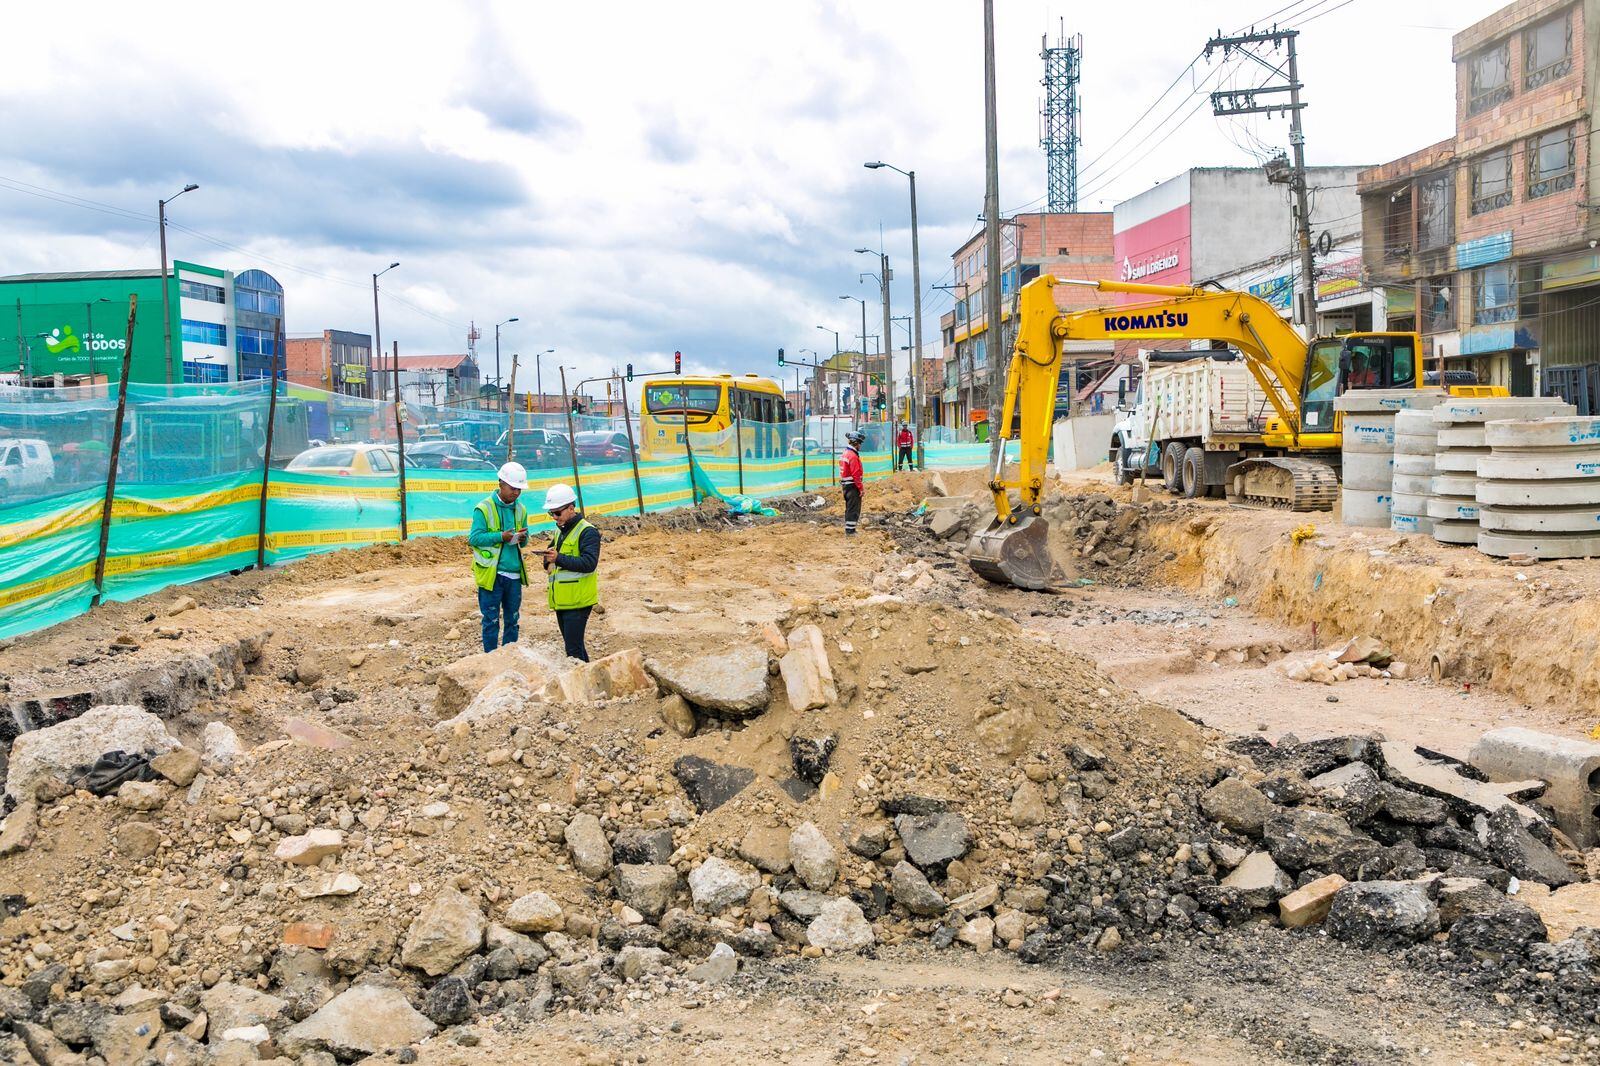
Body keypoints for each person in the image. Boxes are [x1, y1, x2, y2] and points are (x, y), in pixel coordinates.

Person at [468, 462, 531, 653]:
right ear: (501, 483)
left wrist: (523, 538)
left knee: (513, 619)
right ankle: (491, 658)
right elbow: (474, 538)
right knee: (491, 620)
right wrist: (500, 536)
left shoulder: (521, 509)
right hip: (492, 574)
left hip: (513, 573)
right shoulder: (484, 508)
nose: (516, 493)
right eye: (513, 488)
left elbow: (525, 543)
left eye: (519, 489)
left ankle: (509, 656)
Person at [538, 483, 601, 662]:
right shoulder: (561, 531)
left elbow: (589, 563)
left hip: (578, 601)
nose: (554, 517)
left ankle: (583, 678)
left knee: (573, 651)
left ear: (571, 508)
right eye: (551, 513)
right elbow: (551, 555)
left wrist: (558, 558)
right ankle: (589, 675)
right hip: (563, 600)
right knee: (575, 647)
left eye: (557, 513)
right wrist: (547, 560)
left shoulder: (587, 532)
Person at [840, 430, 865, 535]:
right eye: (859, 443)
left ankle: (849, 529)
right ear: (855, 443)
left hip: (846, 485)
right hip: (852, 486)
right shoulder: (853, 456)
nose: (860, 445)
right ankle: (850, 531)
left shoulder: (845, 453)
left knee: (849, 508)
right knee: (853, 508)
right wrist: (861, 488)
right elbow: (855, 474)